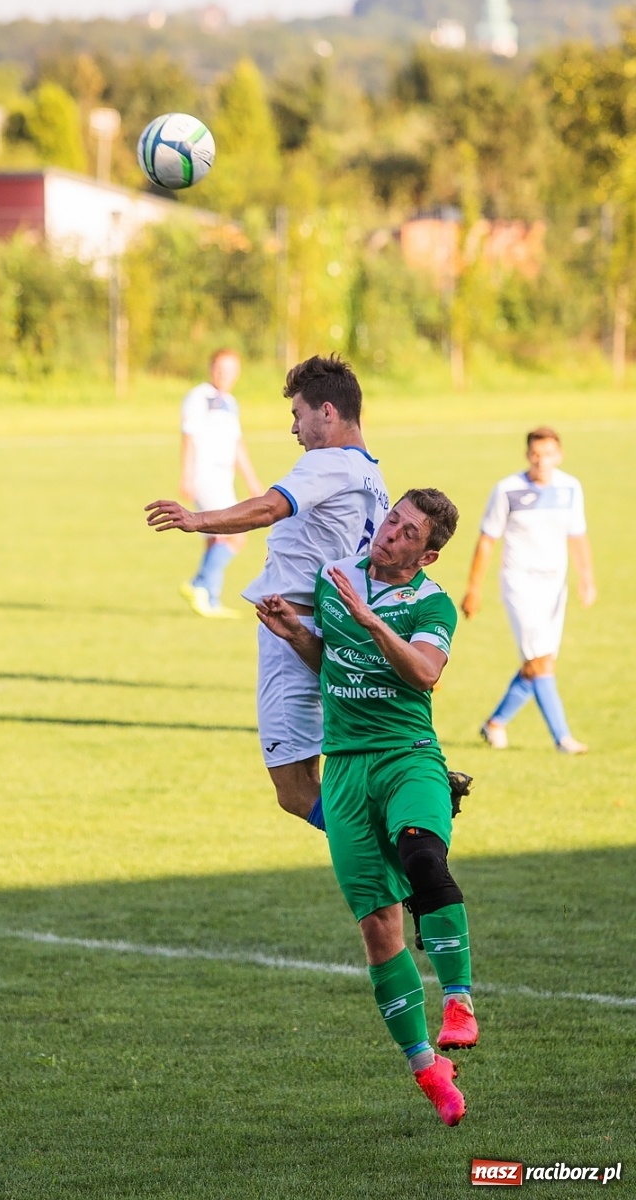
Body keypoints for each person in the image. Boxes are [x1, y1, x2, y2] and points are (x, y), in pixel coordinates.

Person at [256, 489, 476, 1127]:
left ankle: (459, 1001)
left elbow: (426, 673)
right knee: (380, 930)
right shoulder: (337, 578)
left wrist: (373, 620)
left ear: (428, 553)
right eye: (392, 520)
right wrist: (298, 633)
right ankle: (427, 1068)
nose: (390, 534)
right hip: (347, 767)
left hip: (407, 752)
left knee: (423, 855)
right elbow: (333, 662)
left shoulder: (430, 604)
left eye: (409, 534)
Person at [147, 353, 389, 827]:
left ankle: (401, 850)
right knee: (323, 777)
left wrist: (197, 520)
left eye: (297, 414)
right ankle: (395, 862)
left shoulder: (327, 464)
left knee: (295, 790)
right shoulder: (373, 476)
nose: (294, 429)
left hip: (290, 628)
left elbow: (268, 509)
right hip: (329, 633)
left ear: (327, 412)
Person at [461, 426, 596, 754]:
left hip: (555, 585)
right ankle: (563, 739)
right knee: (539, 661)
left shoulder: (570, 488)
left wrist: (587, 578)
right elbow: (487, 540)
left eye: (548, 453)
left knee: (541, 661)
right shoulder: (507, 490)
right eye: (536, 454)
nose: (542, 461)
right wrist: (474, 588)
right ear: (527, 456)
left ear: (559, 455)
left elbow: (577, 535)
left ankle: (495, 724)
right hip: (519, 583)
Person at [177, 348, 264, 619]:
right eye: (220, 368)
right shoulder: (199, 397)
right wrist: (187, 474)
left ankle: (210, 599)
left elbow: (237, 445)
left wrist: (251, 480)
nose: (224, 374)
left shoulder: (230, 402)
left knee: (215, 537)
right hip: (205, 476)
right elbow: (188, 437)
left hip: (223, 477)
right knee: (236, 534)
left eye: (230, 369)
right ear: (210, 367)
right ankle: (198, 584)